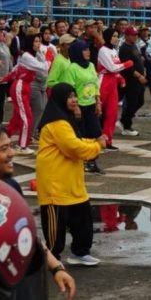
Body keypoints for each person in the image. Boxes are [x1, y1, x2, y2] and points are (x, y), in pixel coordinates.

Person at [0, 122, 77, 299]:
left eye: (11, 146)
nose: (12, 153)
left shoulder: (11, 186)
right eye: (4, 149)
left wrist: (56, 268)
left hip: (19, 282)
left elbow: (27, 234)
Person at [36, 83, 106, 266]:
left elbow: (77, 141)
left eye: (75, 96)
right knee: (56, 226)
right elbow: (74, 148)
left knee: (82, 218)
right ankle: (52, 259)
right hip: (55, 183)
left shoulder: (65, 119)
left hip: (70, 180)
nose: (74, 100)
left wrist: (93, 141)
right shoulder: (56, 123)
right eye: (69, 97)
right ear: (60, 99)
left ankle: (80, 252)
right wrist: (97, 146)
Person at [65, 40, 105, 172]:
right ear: (78, 52)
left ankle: (91, 161)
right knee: (81, 135)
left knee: (95, 133)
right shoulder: (72, 68)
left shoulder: (91, 65)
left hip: (91, 105)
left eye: (88, 49)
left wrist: (98, 102)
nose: (88, 52)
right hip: (80, 106)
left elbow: (95, 85)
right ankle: (82, 161)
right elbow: (70, 90)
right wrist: (76, 107)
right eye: (85, 50)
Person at [6, 33, 49, 153]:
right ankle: (22, 145)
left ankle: (3, 136)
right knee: (27, 117)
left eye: (39, 41)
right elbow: (43, 67)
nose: (38, 44)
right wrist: (49, 59)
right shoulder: (27, 55)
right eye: (36, 41)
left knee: (17, 118)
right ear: (30, 42)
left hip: (25, 87)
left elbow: (16, 68)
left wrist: (5, 78)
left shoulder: (32, 55)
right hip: (20, 86)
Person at [97, 28, 133, 150]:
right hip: (103, 82)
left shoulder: (113, 50)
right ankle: (94, 137)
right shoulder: (103, 50)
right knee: (97, 111)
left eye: (117, 36)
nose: (116, 38)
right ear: (108, 36)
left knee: (112, 113)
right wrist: (127, 64)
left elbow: (116, 68)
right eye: (114, 36)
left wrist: (120, 78)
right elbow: (112, 67)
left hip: (112, 83)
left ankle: (108, 140)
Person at [119, 26, 147, 137]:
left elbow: (138, 59)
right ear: (126, 36)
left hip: (138, 79)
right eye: (133, 35)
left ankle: (124, 120)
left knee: (140, 101)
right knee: (132, 102)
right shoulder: (124, 48)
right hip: (131, 80)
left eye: (136, 35)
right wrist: (139, 76)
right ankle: (126, 126)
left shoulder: (134, 46)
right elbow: (127, 67)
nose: (135, 37)